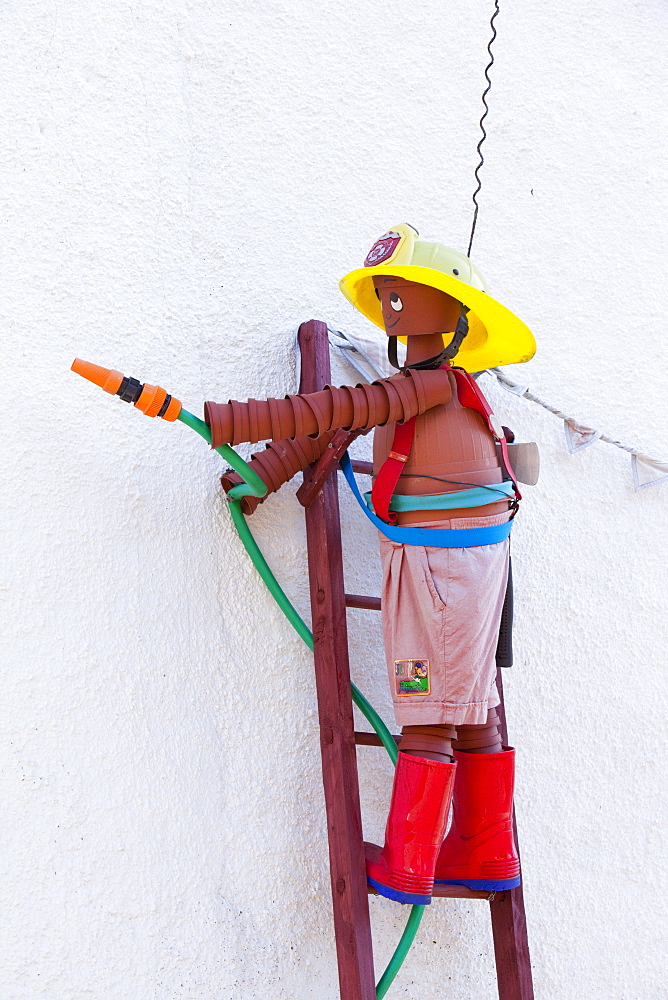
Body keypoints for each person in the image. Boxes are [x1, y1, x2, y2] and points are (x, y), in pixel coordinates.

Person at [209, 224, 536, 904]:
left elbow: (337, 409)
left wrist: (225, 423)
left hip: (442, 572)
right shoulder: (425, 389)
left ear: (455, 314)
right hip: (457, 566)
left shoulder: (438, 386)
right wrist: (264, 471)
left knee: (428, 704)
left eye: (407, 294)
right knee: (469, 706)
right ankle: (484, 847)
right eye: (386, 296)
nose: (393, 307)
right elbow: (339, 429)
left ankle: (412, 862)